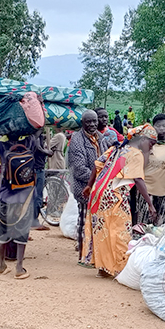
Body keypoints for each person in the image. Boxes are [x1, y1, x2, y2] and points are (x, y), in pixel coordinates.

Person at [0, 103, 43, 280]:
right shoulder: (29, 142)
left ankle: (1, 265)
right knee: (22, 232)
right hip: (25, 196)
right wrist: (39, 105)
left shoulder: (1, 147)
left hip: (5, 194)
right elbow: (39, 126)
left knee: (4, 229)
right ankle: (19, 268)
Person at [82, 124, 158, 276]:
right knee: (120, 231)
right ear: (143, 139)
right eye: (151, 143)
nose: (152, 147)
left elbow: (97, 165)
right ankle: (118, 268)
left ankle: (103, 268)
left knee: (103, 230)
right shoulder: (135, 154)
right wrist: (150, 204)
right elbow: (138, 179)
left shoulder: (117, 148)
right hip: (114, 197)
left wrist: (89, 186)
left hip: (98, 194)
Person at [68, 110, 108, 260]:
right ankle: (82, 254)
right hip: (84, 188)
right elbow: (79, 169)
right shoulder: (77, 140)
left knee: (97, 222)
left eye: (94, 121)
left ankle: (93, 253)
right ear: (82, 123)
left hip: (99, 187)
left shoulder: (101, 138)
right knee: (84, 220)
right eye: (88, 122)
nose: (92, 124)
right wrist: (99, 179)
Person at [134, 114, 165, 225]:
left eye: (164, 125)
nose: (161, 129)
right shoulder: (147, 144)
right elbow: (140, 168)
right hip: (147, 191)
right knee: (143, 224)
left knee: (160, 226)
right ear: (153, 127)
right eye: (158, 126)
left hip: (164, 191)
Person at [31, 133, 54, 230]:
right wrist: (47, 152)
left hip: (37, 168)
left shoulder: (37, 135)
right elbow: (37, 148)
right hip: (37, 168)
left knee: (36, 195)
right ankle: (34, 221)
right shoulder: (36, 135)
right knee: (37, 196)